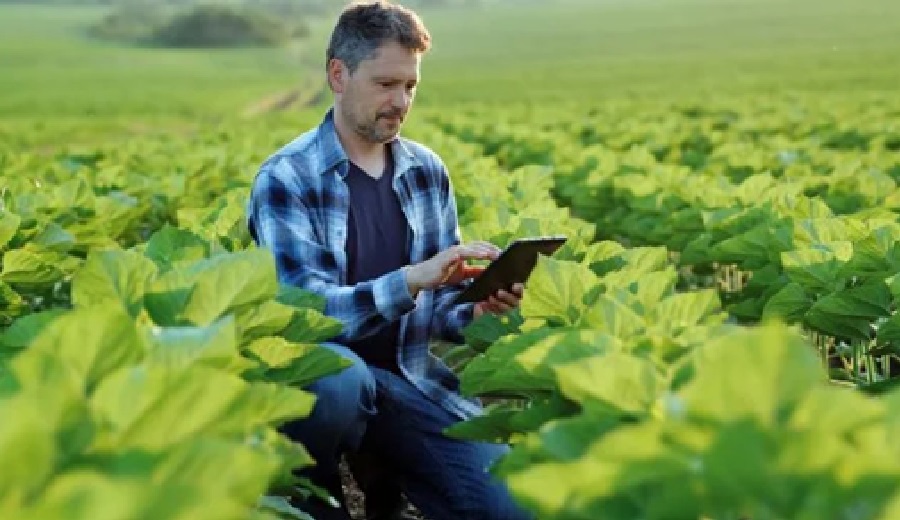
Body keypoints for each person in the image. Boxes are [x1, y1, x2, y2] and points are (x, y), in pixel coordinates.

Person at [246, 2, 532, 520]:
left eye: (410, 86)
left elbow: (440, 308)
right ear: (338, 74)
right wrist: (409, 280)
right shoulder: (286, 178)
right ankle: (314, 493)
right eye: (385, 84)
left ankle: (386, 473)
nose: (400, 101)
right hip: (324, 382)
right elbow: (302, 311)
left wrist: (477, 307)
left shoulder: (426, 171)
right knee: (340, 381)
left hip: (411, 379)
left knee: (512, 509)